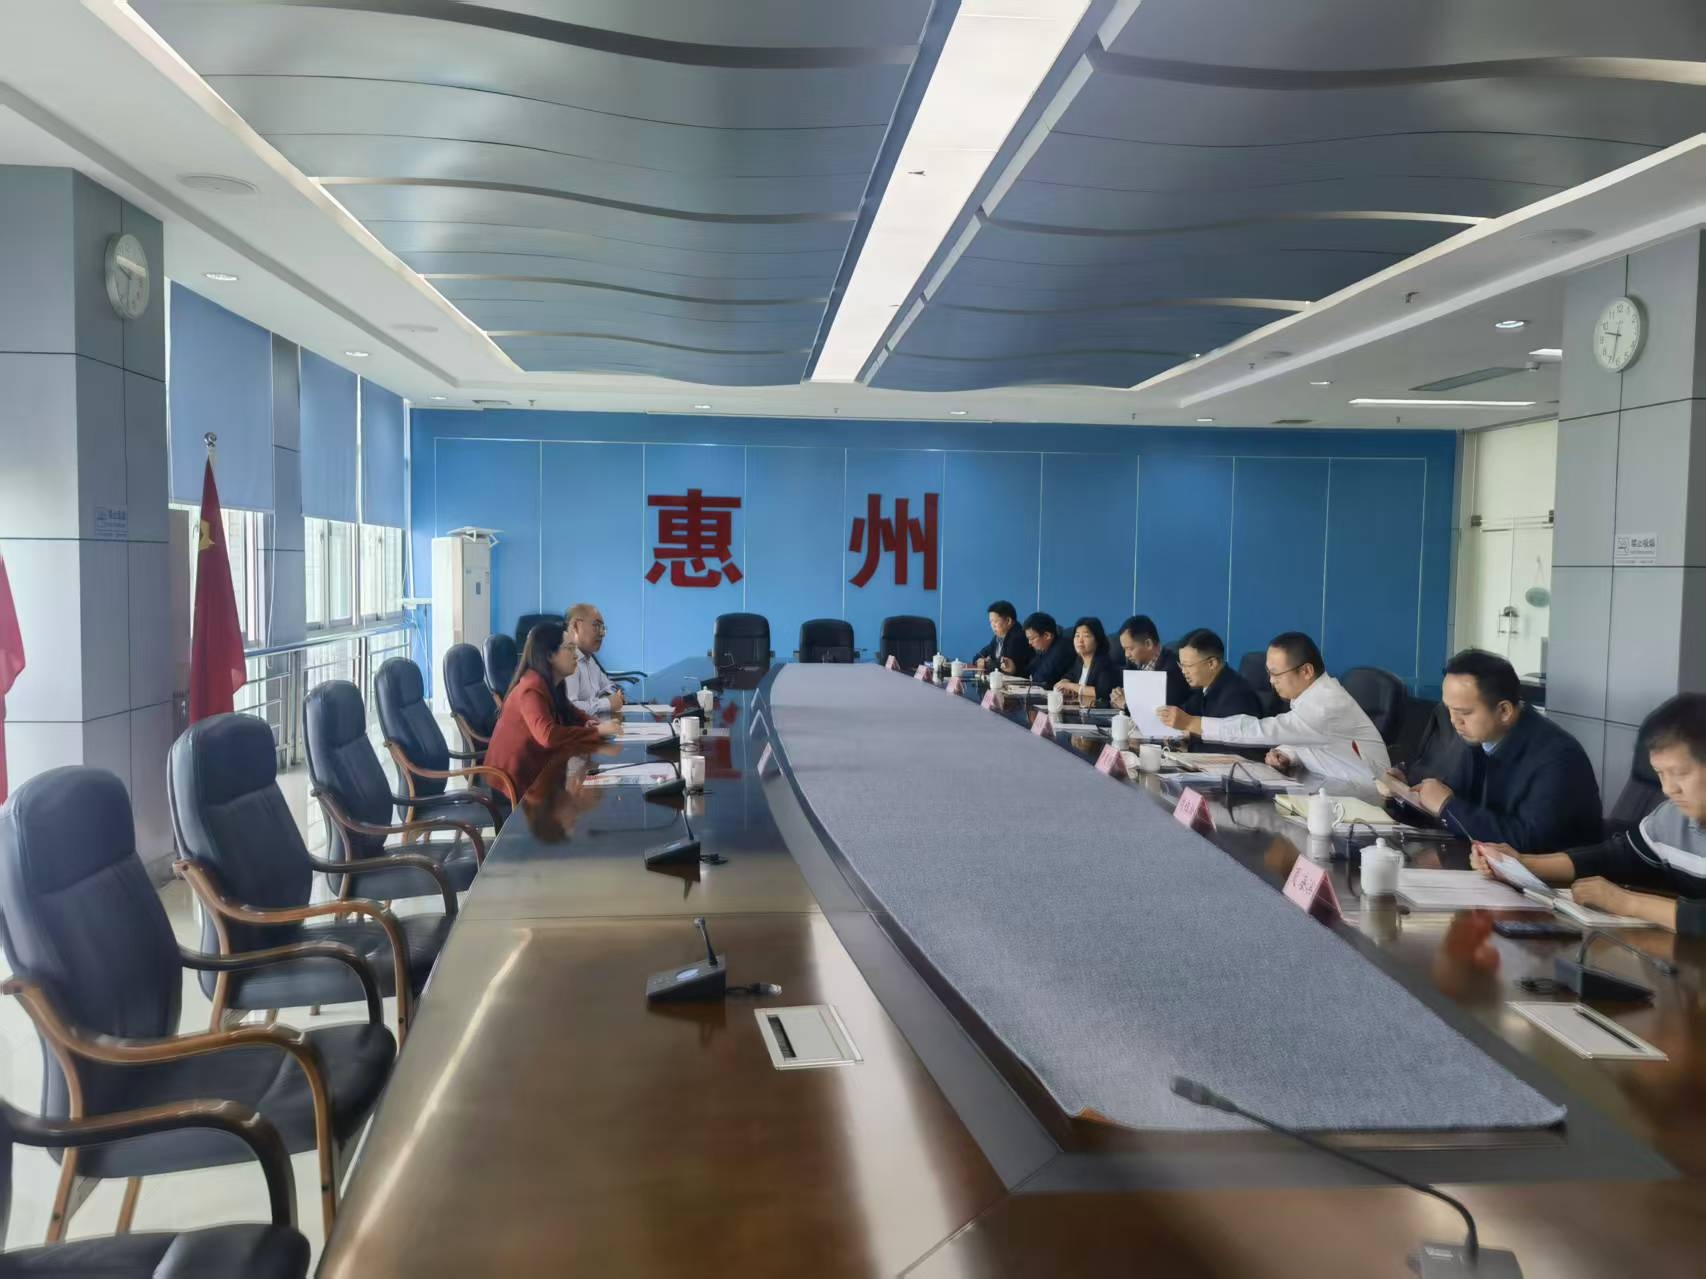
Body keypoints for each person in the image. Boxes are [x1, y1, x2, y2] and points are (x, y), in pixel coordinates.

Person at [1471, 693, 1706, 934]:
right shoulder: (1670, 818)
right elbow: (1615, 857)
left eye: (1680, 773)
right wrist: (1521, 864)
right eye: (1660, 774)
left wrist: (1627, 903)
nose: (1668, 789)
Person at [1387, 649, 1601, 852]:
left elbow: (1531, 842)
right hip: (1474, 859)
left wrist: (1447, 807)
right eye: (1449, 709)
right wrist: (1405, 786)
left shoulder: (1558, 758)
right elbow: (1437, 782)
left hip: (1542, 875)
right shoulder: (1473, 734)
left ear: (1504, 711)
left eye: (1464, 712)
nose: (1454, 721)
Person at [1152, 632, 1388, 783]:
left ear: (1306, 671)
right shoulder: (1309, 698)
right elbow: (1310, 737)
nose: (1271, 681)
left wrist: (1192, 723)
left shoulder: (1326, 705)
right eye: (1268, 673)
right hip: (1327, 786)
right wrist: (1287, 753)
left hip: (1364, 797)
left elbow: (1262, 730)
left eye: (1276, 674)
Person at [486, 621, 616, 801]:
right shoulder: (531, 688)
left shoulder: (552, 682)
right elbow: (547, 736)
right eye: (570, 648)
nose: (576, 655)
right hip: (513, 784)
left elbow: (569, 709)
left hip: (537, 771)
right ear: (550, 655)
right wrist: (596, 732)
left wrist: (588, 720)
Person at [1156, 628, 1262, 725]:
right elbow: (1185, 714)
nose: (1183, 671)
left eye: (1188, 665)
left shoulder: (1237, 696)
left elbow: (1228, 737)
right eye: (1181, 665)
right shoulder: (1203, 687)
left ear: (1211, 663)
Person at [1109, 615, 1187, 709]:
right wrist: (1117, 697)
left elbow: (1158, 713)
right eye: (1124, 649)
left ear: (1148, 644)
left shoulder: (1170, 671)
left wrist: (1126, 704)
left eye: (1130, 649)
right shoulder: (1134, 665)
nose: (1126, 655)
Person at [564, 602, 624, 717]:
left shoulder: (589, 659)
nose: (602, 633)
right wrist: (607, 703)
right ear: (576, 626)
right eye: (596, 626)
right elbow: (569, 707)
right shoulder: (567, 660)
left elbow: (609, 686)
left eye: (602, 628)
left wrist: (609, 697)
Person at [1057, 617, 1119, 707]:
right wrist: (1064, 683)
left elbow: (1101, 692)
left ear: (1097, 640)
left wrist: (1070, 686)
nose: (1080, 641)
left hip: (1097, 712)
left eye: (1086, 636)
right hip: (1080, 709)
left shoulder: (1104, 663)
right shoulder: (1079, 661)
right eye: (1077, 636)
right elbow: (1069, 675)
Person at [973, 600, 1032, 676]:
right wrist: (979, 660)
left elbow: (1003, 667)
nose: (992, 625)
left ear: (1008, 621)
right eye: (991, 622)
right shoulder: (998, 637)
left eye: (995, 621)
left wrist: (985, 663)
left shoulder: (1018, 637)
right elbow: (978, 656)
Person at [1022, 611, 1074, 689]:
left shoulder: (1061, 649)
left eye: (1032, 638)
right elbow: (1028, 672)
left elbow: (1041, 680)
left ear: (1047, 635)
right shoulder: (1045, 648)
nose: (1029, 642)